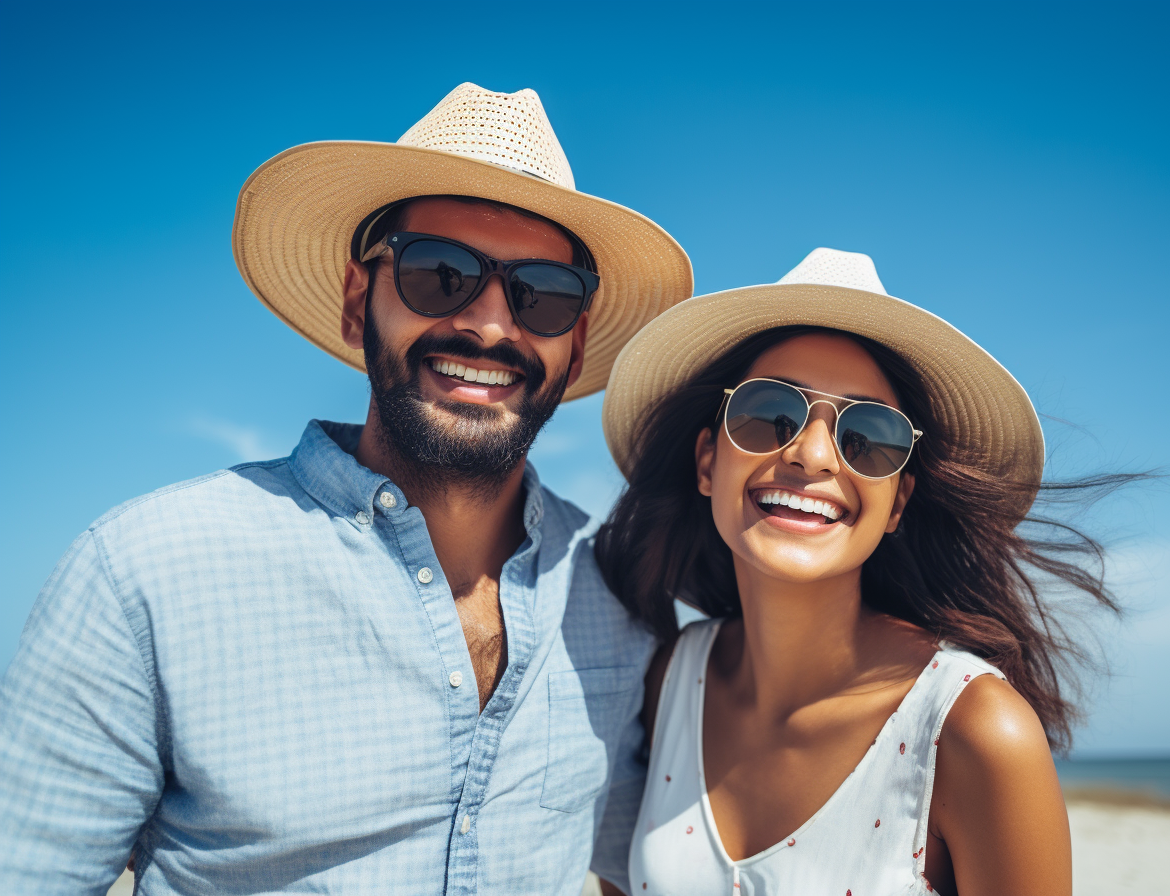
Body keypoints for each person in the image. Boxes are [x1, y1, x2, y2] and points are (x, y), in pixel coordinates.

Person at [0, 83, 692, 896]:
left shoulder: (614, 591)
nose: (492, 326)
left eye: (542, 295)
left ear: (574, 347)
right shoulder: (141, 574)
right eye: (442, 274)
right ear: (359, 300)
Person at [598, 248, 1125, 895]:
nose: (813, 455)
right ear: (708, 461)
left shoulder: (974, 730)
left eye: (869, 436)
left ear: (898, 500)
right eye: (769, 413)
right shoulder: (669, 680)